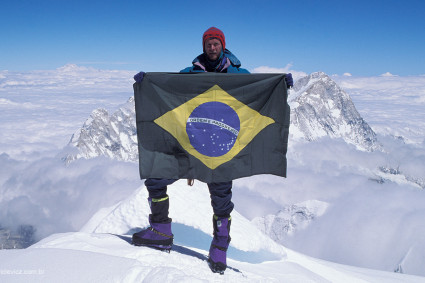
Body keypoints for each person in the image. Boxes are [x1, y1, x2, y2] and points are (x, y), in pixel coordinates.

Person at [132, 27, 293, 274]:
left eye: (216, 43)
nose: (212, 47)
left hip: (222, 151)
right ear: (204, 46)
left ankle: (219, 248)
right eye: (208, 44)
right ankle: (160, 230)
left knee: (221, 202)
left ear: (223, 45)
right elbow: (171, 92)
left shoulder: (239, 75)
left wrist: (281, 85)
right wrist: (148, 83)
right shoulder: (190, 74)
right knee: (155, 177)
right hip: (190, 148)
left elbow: (257, 92)